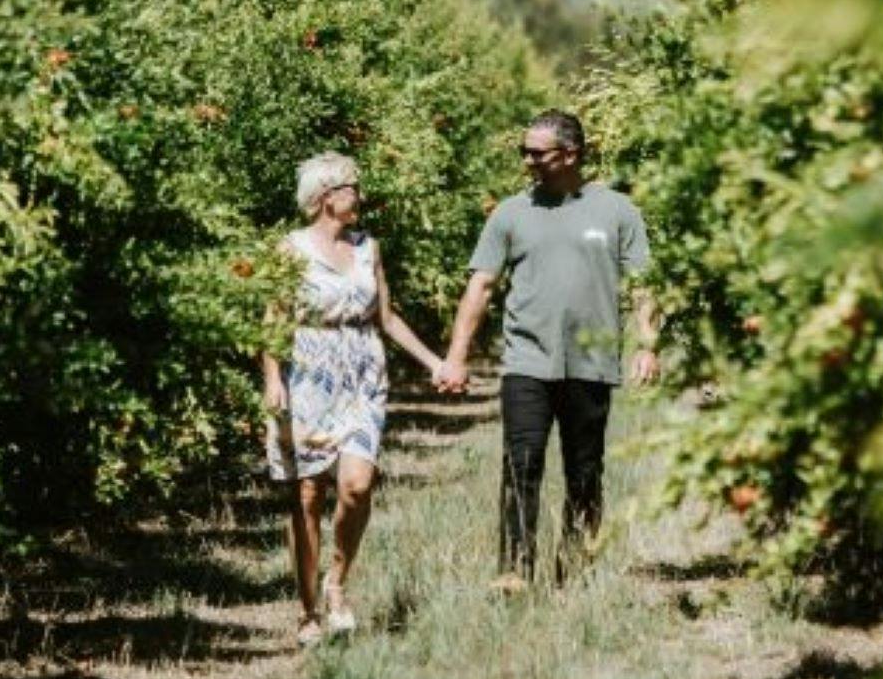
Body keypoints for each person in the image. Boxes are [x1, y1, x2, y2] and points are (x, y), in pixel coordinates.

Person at [442, 110, 659, 588]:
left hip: (592, 362)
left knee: (585, 471)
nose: (527, 161)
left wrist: (647, 344)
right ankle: (515, 568)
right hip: (527, 359)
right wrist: (457, 355)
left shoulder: (617, 210)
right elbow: (480, 286)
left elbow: (643, 283)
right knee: (522, 463)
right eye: (524, 151)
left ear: (571, 154)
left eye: (536, 153)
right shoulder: (510, 212)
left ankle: (575, 568)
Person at [262, 151, 451, 646]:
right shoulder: (290, 249)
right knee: (306, 495)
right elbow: (273, 318)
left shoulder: (369, 248)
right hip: (307, 371)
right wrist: (272, 378)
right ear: (326, 197)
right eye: (352, 188)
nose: (359, 196)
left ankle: (337, 584)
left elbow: (386, 319)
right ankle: (307, 612)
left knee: (356, 486)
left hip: (363, 372)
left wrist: (435, 363)